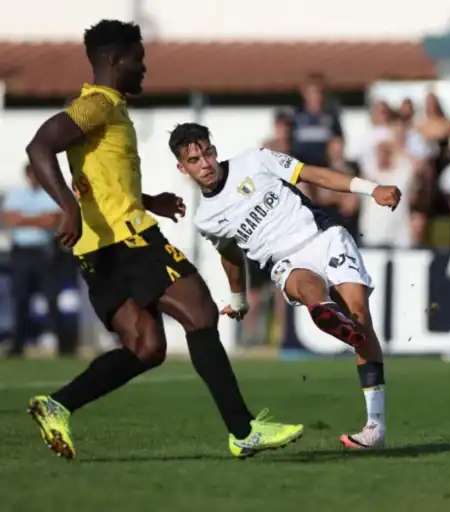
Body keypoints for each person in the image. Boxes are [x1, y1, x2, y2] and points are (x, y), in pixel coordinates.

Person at [24, 19, 302, 460]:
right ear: (115, 61)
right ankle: (243, 430)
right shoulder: (98, 104)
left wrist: (146, 198)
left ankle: (57, 405)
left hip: (98, 249)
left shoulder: (104, 108)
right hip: (128, 240)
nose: (144, 68)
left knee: (147, 347)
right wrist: (69, 208)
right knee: (199, 309)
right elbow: (39, 146)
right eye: (139, 59)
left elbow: (101, 174)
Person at [167, 122, 401, 449]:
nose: (205, 164)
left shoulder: (255, 160)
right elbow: (230, 257)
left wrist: (370, 188)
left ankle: (374, 425)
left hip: (323, 235)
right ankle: (329, 315)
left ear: (214, 150)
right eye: (194, 160)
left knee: (360, 314)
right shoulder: (206, 218)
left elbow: (313, 174)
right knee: (311, 291)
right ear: (182, 167)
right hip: (285, 262)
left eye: (207, 153)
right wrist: (238, 299)